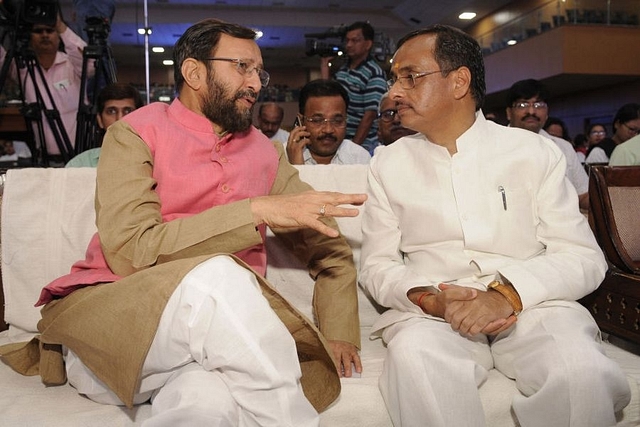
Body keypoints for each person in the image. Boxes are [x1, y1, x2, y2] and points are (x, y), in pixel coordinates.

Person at [2, 19, 366, 425]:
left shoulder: (266, 154)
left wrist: (340, 332)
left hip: (214, 347)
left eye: (258, 71)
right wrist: (254, 211)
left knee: (204, 402)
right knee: (221, 274)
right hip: (117, 331)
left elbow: (328, 242)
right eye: (242, 67)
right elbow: (130, 250)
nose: (256, 83)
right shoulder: (133, 134)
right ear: (194, 72)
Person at [360, 24, 630, 427]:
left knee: (580, 373)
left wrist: (507, 293)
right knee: (417, 364)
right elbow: (377, 266)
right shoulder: (387, 162)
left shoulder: (533, 152)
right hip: (435, 311)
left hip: (533, 304)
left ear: (459, 82)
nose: (394, 93)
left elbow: (583, 257)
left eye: (410, 77)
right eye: (395, 79)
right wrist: (430, 299)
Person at [0, 12, 90, 166]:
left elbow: (91, 61)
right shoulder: (23, 68)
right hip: (41, 160)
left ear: (58, 34)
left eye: (50, 30)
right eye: (38, 31)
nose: (45, 35)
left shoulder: (72, 64)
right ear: (30, 36)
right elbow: (2, 60)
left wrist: (61, 26)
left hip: (78, 158)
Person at [505, 79, 590, 210]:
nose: (532, 111)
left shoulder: (563, 147)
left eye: (538, 105)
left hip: (559, 225)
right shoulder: (494, 146)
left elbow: (583, 194)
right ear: (509, 113)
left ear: (547, 112)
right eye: (523, 105)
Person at [320, 21, 387, 154]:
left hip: (363, 144)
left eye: (355, 40)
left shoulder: (374, 72)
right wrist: (324, 68)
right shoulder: (344, 70)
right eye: (347, 40)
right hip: (342, 140)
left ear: (368, 44)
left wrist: (353, 148)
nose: (349, 45)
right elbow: (329, 98)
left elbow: (370, 115)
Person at [286, 79, 371, 165]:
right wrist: (294, 167)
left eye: (337, 121)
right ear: (301, 121)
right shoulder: (281, 157)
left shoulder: (359, 158)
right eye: (317, 121)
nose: (328, 130)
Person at [66, 82, 143, 167]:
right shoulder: (80, 164)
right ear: (100, 120)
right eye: (112, 111)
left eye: (128, 111)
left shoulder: (154, 163)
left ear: (140, 118)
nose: (120, 119)